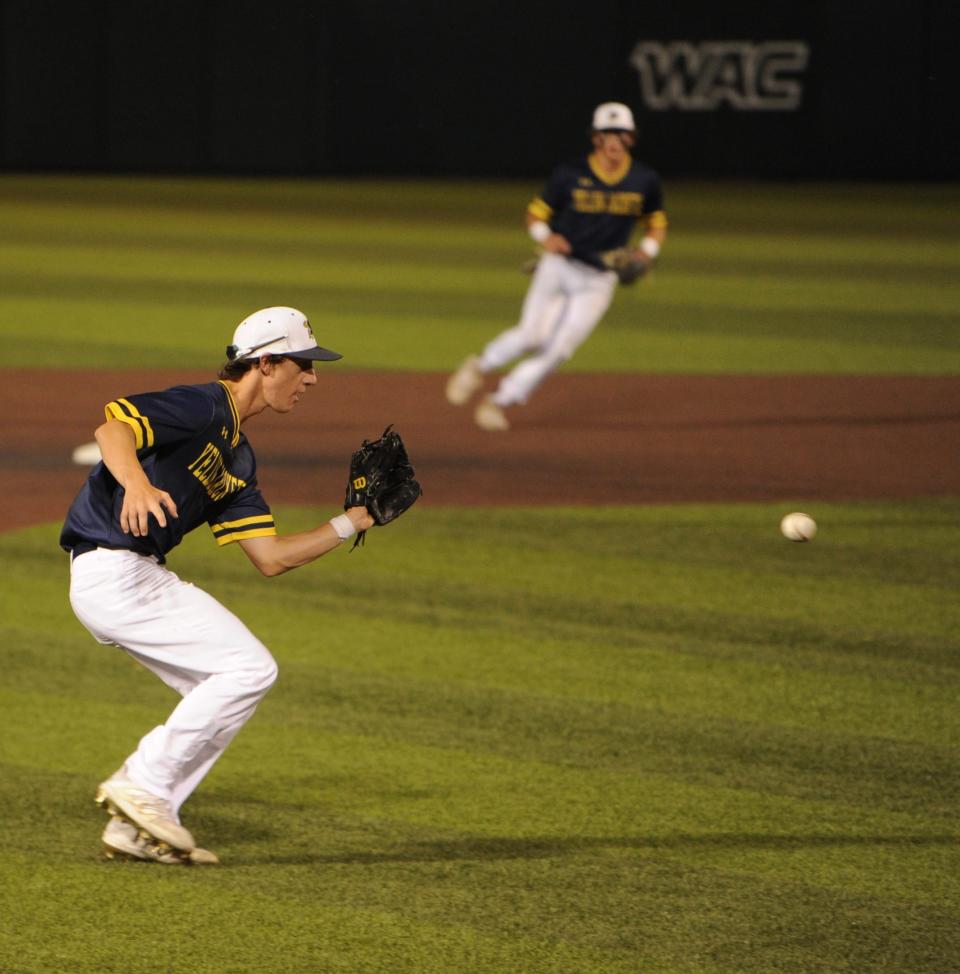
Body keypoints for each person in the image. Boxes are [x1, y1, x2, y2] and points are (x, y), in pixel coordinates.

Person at [60, 306, 375, 865]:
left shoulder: (238, 457)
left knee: (224, 692)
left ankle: (137, 828)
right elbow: (112, 429)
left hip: (132, 577)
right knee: (249, 668)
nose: (312, 378)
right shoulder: (204, 404)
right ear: (267, 361)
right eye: (303, 364)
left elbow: (272, 557)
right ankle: (144, 787)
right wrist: (134, 484)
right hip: (113, 571)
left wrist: (353, 520)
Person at [446, 101, 668, 431]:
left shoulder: (643, 179)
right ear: (595, 138)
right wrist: (545, 236)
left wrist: (645, 254)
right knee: (532, 335)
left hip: (599, 279)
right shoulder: (570, 173)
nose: (613, 141)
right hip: (558, 266)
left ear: (630, 137)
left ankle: (499, 400)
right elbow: (535, 214)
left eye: (619, 133)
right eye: (607, 133)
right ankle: (481, 365)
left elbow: (656, 223)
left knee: (560, 348)